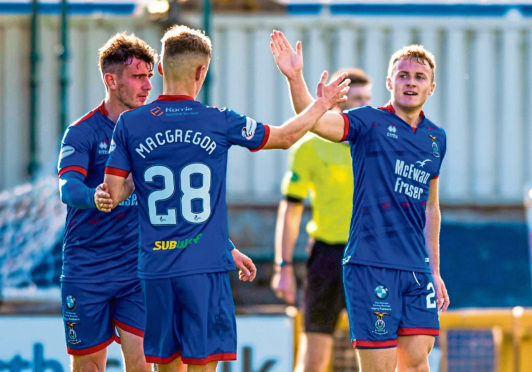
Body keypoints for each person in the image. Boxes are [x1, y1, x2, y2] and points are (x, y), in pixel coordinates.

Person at [98, 24, 349, 372]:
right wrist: (320, 102)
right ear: (202, 71)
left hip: (155, 270)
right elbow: (285, 136)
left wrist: (226, 245)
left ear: (160, 69)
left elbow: (114, 191)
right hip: (204, 269)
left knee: (167, 367)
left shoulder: (129, 124)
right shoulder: (218, 120)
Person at [270, 30, 450, 372]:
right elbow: (316, 121)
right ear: (390, 82)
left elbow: (431, 207)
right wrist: (296, 79)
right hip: (369, 265)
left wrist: (435, 270)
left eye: (419, 77)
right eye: (403, 75)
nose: (410, 83)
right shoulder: (368, 121)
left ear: (431, 87)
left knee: (417, 360)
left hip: (415, 268)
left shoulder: (435, 138)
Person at [57, 32, 177, 372]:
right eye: (138, 76)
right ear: (112, 80)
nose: (147, 85)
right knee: (90, 364)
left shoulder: (156, 132)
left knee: (140, 359)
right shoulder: (82, 132)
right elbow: (67, 187)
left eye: (150, 76)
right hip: (86, 270)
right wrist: (95, 197)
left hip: (136, 269)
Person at [270, 68, 371, 372]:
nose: (362, 106)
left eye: (367, 99)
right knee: (314, 357)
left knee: (375, 353)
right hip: (327, 257)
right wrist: (283, 266)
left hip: (369, 257)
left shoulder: (378, 145)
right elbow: (291, 209)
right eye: (355, 99)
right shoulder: (311, 146)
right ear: (339, 101)